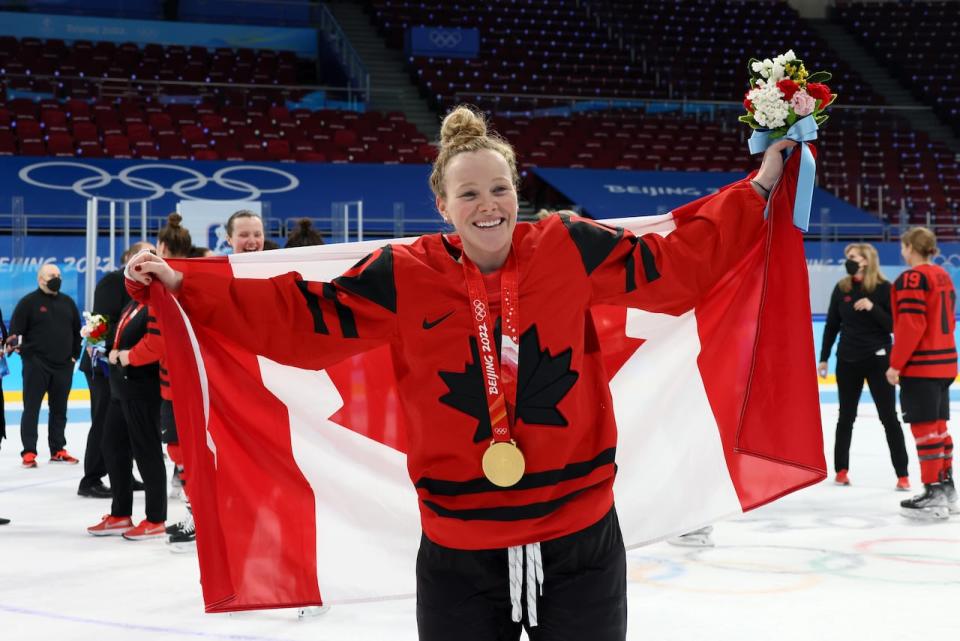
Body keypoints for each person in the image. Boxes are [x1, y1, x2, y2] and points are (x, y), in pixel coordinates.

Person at [127, 106, 792, 639]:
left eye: (499, 188)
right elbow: (302, 318)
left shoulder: (566, 245)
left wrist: (761, 185)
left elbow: (677, 264)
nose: (488, 204)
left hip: (578, 533)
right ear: (441, 204)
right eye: (468, 192)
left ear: (517, 190)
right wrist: (185, 284)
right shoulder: (405, 272)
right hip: (459, 546)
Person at [88, 244, 168, 539]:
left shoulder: (159, 302)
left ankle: (156, 517)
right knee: (112, 445)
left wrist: (125, 357)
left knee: (146, 451)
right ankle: (121, 513)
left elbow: (158, 343)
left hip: (142, 387)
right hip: (121, 389)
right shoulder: (135, 302)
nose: (141, 274)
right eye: (138, 268)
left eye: (147, 268)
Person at [818, 243, 909, 490]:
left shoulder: (884, 289)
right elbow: (831, 325)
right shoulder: (842, 288)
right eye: (847, 257)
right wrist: (824, 358)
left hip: (878, 359)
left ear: (866, 261)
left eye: (853, 257)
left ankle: (903, 474)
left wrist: (872, 307)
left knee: (889, 417)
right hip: (847, 360)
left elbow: (893, 325)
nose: (848, 261)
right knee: (845, 417)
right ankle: (841, 469)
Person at [887, 227, 958, 520]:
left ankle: (932, 492)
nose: (902, 252)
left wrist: (896, 363)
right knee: (939, 428)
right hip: (945, 363)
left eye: (904, 247)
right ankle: (946, 489)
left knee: (925, 429)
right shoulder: (943, 276)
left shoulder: (912, 278)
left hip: (922, 365)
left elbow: (911, 324)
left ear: (910, 247)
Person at [77, 244, 151, 498]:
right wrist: (110, 354)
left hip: (124, 364)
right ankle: (91, 478)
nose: (150, 259)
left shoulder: (146, 285)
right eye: (144, 254)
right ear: (129, 258)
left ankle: (123, 474)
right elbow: (101, 322)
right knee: (104, 420)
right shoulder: (113, 281)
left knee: (123, 423)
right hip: (103, 366)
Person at [7, 263, 82, 468]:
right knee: (31, 409)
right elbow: (15, 332)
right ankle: (29, 451)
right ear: (41, 279)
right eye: (51, 275)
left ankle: (58, 449)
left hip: (63, 366)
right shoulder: (28, 302)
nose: (56, 278)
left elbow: (77, 332)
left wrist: (74, 356)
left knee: (60, 410)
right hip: (36, 364)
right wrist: (25, 354)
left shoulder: (68, 303)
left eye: (58, 275)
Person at [153, 214, 197, 550]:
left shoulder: (162, 281)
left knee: (183, 453)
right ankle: (196, 513)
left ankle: (197, 516)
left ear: (163, 246)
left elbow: (158, 338)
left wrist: (127, 355)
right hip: (191, 380)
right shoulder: (195, 274)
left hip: (177, 383)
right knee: (186, 452)